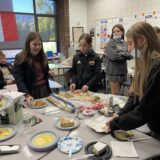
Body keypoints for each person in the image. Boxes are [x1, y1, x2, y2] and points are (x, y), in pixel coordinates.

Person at [107, 21, 160, 140]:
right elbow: (135, 96)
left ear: (141, 40)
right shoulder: (145, 63)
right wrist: (120, 115)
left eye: (130, 44)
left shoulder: (157, 67)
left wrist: (117, 123)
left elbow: (146, 110)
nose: (129, 49)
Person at [13, 32, 54, 106]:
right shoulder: (20, 57)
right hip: (30, 92)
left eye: (39, 44)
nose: (38, 47)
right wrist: (27, 95)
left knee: (46, 111)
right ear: (28, 44)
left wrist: (49, 72)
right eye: (35, 44)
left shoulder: (42, 56)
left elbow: (46, 69)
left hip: (44, 89)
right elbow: (19, 80)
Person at [105, 24, 132, 95]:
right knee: (115, 95)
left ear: (122, 32)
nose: (116, 33)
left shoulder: (125, 43)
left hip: (123, 73)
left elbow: (130, 55)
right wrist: (124, 54)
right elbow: (113, 57)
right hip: (114, 73)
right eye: (114, 32)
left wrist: (120, 53)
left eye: (118, 31)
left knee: (121, 95)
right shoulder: (110, 43)